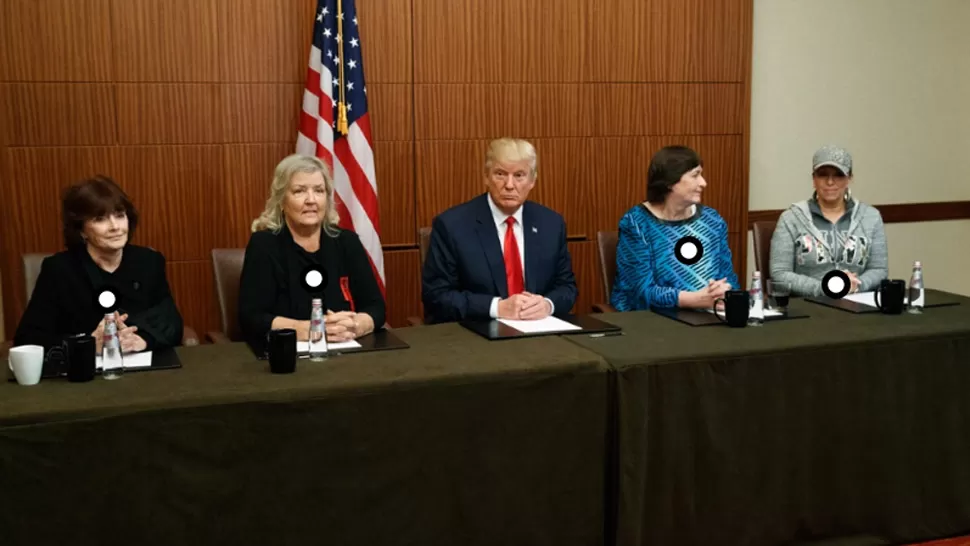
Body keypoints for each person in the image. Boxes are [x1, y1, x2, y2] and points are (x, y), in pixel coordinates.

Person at [13, 176, 184, 353]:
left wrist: (143, 340)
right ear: (81, 230)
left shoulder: (149, 261)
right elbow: (28, 339)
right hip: (85, 373)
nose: (115, 227)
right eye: (100, 219)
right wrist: (87, 344)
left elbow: (171, 323)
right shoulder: (58, 269)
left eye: (119, 215)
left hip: (143, 370)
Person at [422, 138, 577, 323]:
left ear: (532, 180)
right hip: (477, 336)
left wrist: (547, 304)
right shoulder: (452, 225)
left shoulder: (551, 224)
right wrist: (497, 307)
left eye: (519, 175)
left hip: (539, 335)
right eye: (500, 174)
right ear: (486, 177)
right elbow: (437, 297)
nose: (510, 185)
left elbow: (567, 287)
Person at [238, 154, 385, 348]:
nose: (311, 200)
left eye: (319, 191)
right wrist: (309, 329)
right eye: (299, 191)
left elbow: (376, 307)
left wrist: (354, 325)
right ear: (282, 201)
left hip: (346, 352)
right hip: (287, 357)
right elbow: (252, 318)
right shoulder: (265, 245)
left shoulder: (346, 242)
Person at [611, 146, 739, 311]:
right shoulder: (637, 223)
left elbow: (729, 280)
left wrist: (724, 293)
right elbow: (640, 292)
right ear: (670, 181)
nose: (703, 183)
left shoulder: (711, 220)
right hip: (654, 322)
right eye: (695, 175)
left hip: (711, 315)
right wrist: (695, 299)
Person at [769, 145, 888, 296]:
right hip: (807, 307)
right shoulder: (791, 218)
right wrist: (826, 288)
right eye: (823, 175)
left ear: (849, 179)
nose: (830, 182)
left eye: (838, 175)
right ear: (814, 179)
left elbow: (879, 269)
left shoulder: (870, 217)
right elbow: (780, 274)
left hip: (858, 304)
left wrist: (857, 285)